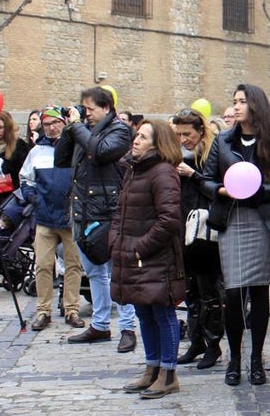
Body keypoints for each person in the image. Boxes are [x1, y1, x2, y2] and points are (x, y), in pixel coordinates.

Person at [198, 84, 270, 387]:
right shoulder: (223, 141)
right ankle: (234, 358)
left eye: (242, 101)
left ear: (255, 106)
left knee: (259, 290)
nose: (236, 107)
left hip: (261, 219)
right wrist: (222, 190)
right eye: (234, 101)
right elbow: (206, 180)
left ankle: (256, 359)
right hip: (233, 219)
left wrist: (256, 191)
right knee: (233, 292)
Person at [55, 86, 138, 352]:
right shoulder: (82, 130)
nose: (86, 114)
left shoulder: (119, 129)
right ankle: (101, 325)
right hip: (83, 209)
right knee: (93, 272)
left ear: (106, 108)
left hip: (109, 212)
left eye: (90, 109)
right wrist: (69, 128)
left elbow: (102, 151)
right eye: (84, 109)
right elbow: (60, 160)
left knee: (119, 271)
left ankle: (128, 327)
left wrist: (78, 127)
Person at [112, 120, 186, 399]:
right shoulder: (133, 170)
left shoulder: (163, 172)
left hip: (155, 257)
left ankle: (168, 373)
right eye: (137, 135)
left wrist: (139, 248)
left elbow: (168, 220)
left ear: (158, 143)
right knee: (143, 310)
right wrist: (116, 242)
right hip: (133, 254)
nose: (136, 140)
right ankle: (151, 367)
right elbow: (120, 211)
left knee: (162, 312)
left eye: (143, 137)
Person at [18, 107, 84, 332]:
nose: (52, 128)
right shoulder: (37, 151)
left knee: (74, 265)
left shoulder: (76, 147)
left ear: (64, 123)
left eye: (55, 123)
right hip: (45, 217)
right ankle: (43, 310)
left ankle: (71, 308)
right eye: (47, 124)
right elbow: (26, 178)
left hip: (70, 215)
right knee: (43, 266)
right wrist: (34, 199)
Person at [172, 108, 224, 369]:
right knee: (190, 289)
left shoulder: (211, 155)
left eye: (187, 134)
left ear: (201, 131)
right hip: (182, 225)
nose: (183, 139)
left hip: (204, 229)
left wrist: (192, 174)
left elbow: (218, 189)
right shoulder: (175, 155)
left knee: (208, 290)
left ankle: (213, 344)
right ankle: (196, 341)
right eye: (179, 134)